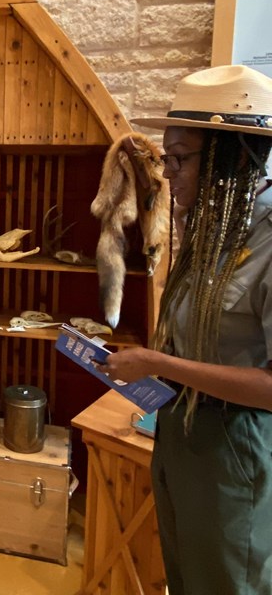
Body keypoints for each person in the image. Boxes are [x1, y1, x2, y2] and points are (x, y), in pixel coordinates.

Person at [96, 65, 272, 594]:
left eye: (180, 159)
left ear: (232, 157)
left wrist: (158, 364)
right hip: (181, 434)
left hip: (231, 452)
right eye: (165, 157)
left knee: (226, 581)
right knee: (186, 577)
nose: (167, 174)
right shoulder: (213, 228)